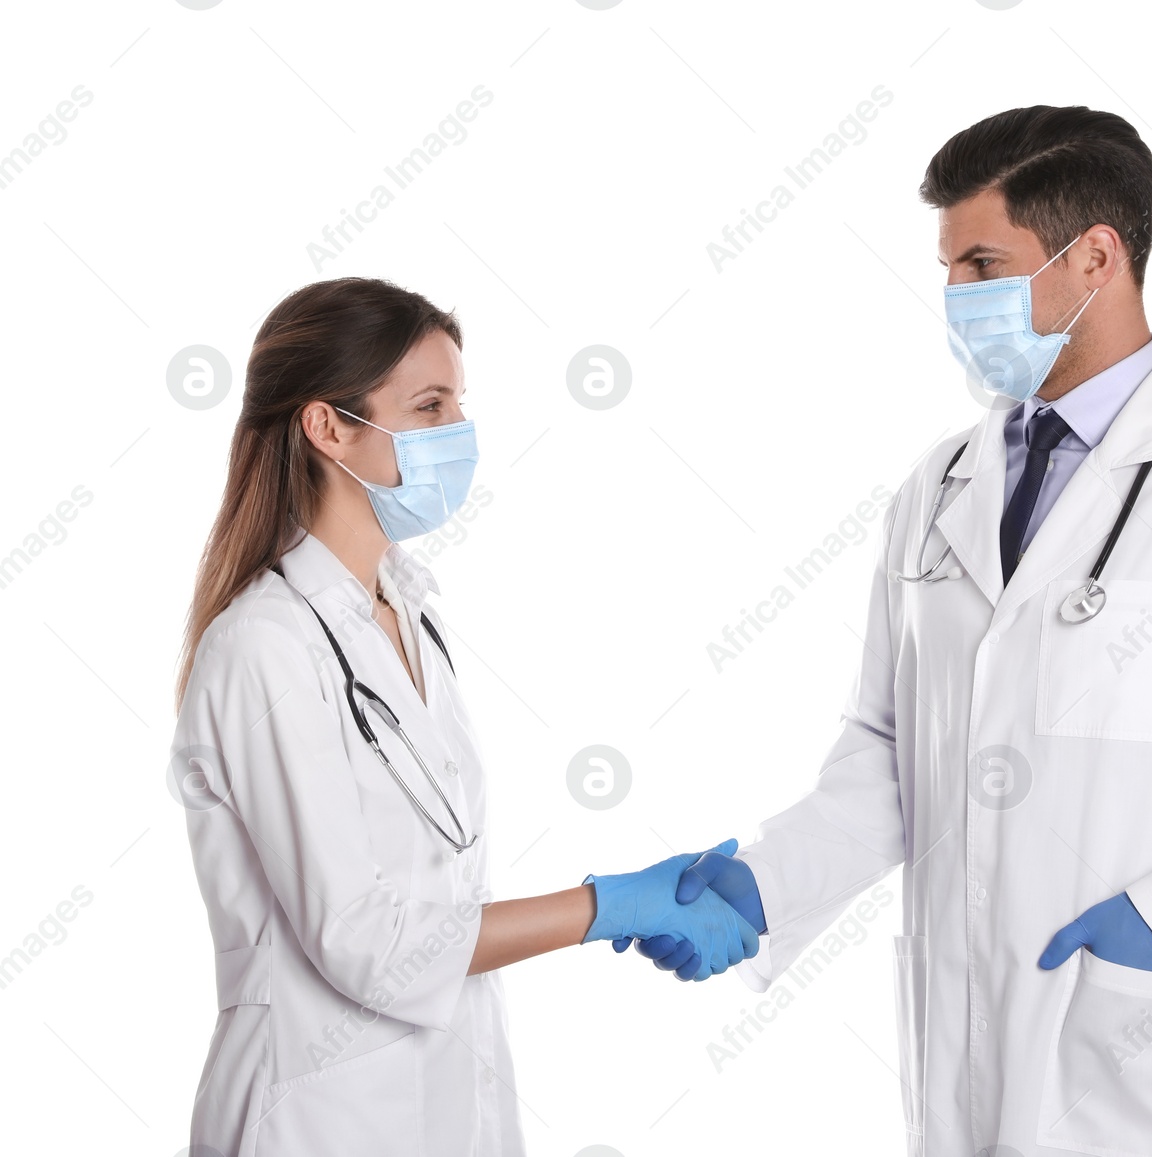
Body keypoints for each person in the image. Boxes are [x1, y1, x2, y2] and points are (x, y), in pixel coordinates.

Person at [620, 106, 1152, 1156]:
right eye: (946, 269)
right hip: (967, 1060)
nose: (954, 301)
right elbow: (894, 754)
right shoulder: (937, 488)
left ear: (1095, 258)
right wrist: (767, 878)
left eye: (983, 263)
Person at [169, 277, 757, 1157]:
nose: (458, 433)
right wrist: (603, 905)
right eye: (428, 404)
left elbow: (437, 898)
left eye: (458, 403)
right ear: (328, 427)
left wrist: (632, 902)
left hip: (449, 1103)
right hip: (313, 1120)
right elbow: (363, 942)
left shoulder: (410, 611)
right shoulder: (264, 645)